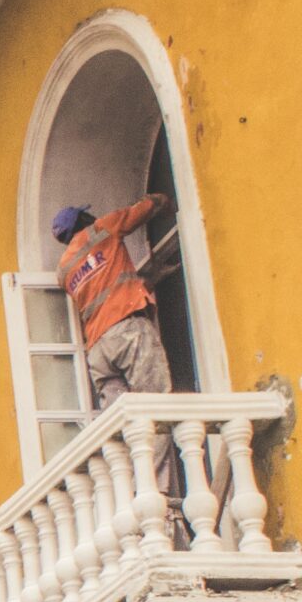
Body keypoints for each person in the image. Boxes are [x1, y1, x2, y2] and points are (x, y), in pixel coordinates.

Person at [53, 196, 183, 503]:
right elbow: (137, 212)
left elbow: (105, 290)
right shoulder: (101, 230)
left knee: (123, 429)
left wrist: (147, 280)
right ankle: (158, 494)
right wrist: (162, 200)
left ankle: (130, 495)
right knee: (155, 408)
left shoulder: (65, 270)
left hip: (98, 350)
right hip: (127, 333)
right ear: (83, 223)